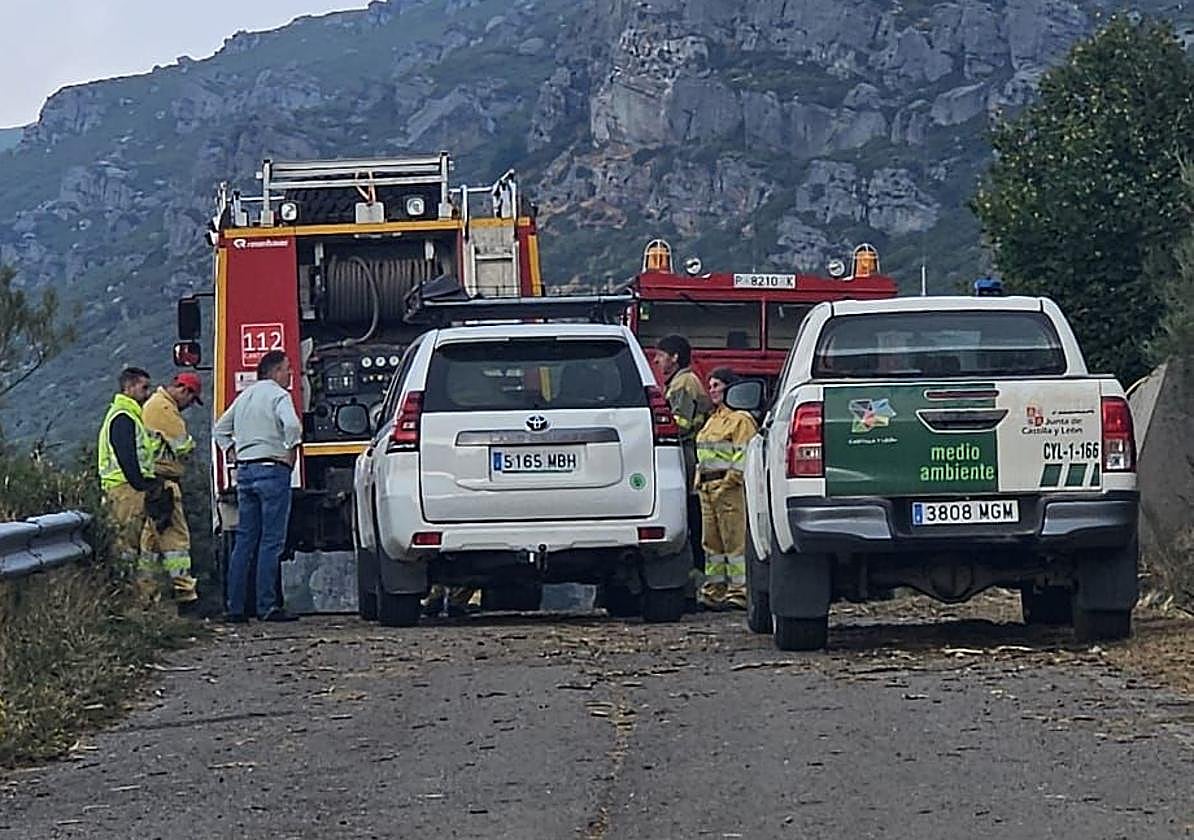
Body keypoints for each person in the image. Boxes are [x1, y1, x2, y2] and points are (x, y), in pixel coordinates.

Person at [212, 350, 302, 623]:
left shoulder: (245, 397)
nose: (290, 374)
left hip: (246, 472)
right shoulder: (279, 396)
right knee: (271, 541)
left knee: (245, 540)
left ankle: (235, 607)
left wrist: (231, 451)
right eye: (287, 368)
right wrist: (290, 450)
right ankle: (267, 606)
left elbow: (219, 429)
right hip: (272, 470)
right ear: (274, 372)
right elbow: (293, 426)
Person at [694, 367, 758, 610]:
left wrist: (729, 481)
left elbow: (743, 455)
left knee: (734, 542)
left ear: (730, 388)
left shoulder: (740, 419)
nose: (712, 390)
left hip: (729, 487)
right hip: (707, 487)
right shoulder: (712, 419)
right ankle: (714, 590)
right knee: (711, 544)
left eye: (717, 385)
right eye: (710, 386)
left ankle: (739, 592)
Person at [655, 334, 712, 609]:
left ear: (675, 357)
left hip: (687, 456)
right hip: (690, 455)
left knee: (689, 520)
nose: (657, 359)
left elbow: (681, 424)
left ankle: (692, 590)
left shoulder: (682, 384)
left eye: (661, 355)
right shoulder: (683, 382)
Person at [97, 367, 164, 592]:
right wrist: (141, 485)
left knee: (139, 545)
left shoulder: (128, 415)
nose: (147, 394)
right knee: (126, 545)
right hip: (125, 490)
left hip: (126, 488)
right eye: (144, 388)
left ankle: (140, 595)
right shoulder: (123, 417)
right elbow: (127, 456)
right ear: (129, 387)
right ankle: (125, 593)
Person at [140, 373, 203, 605]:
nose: (188, 406)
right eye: (191, 399)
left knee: (149, 544)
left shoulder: (155, 405)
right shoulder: (164, 408)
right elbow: (183, 446)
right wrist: (191, 446)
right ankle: (186, 595)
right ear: (184, 390)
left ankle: (146, 596)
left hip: (150, 483)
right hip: (164, 483)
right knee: (176, 540)